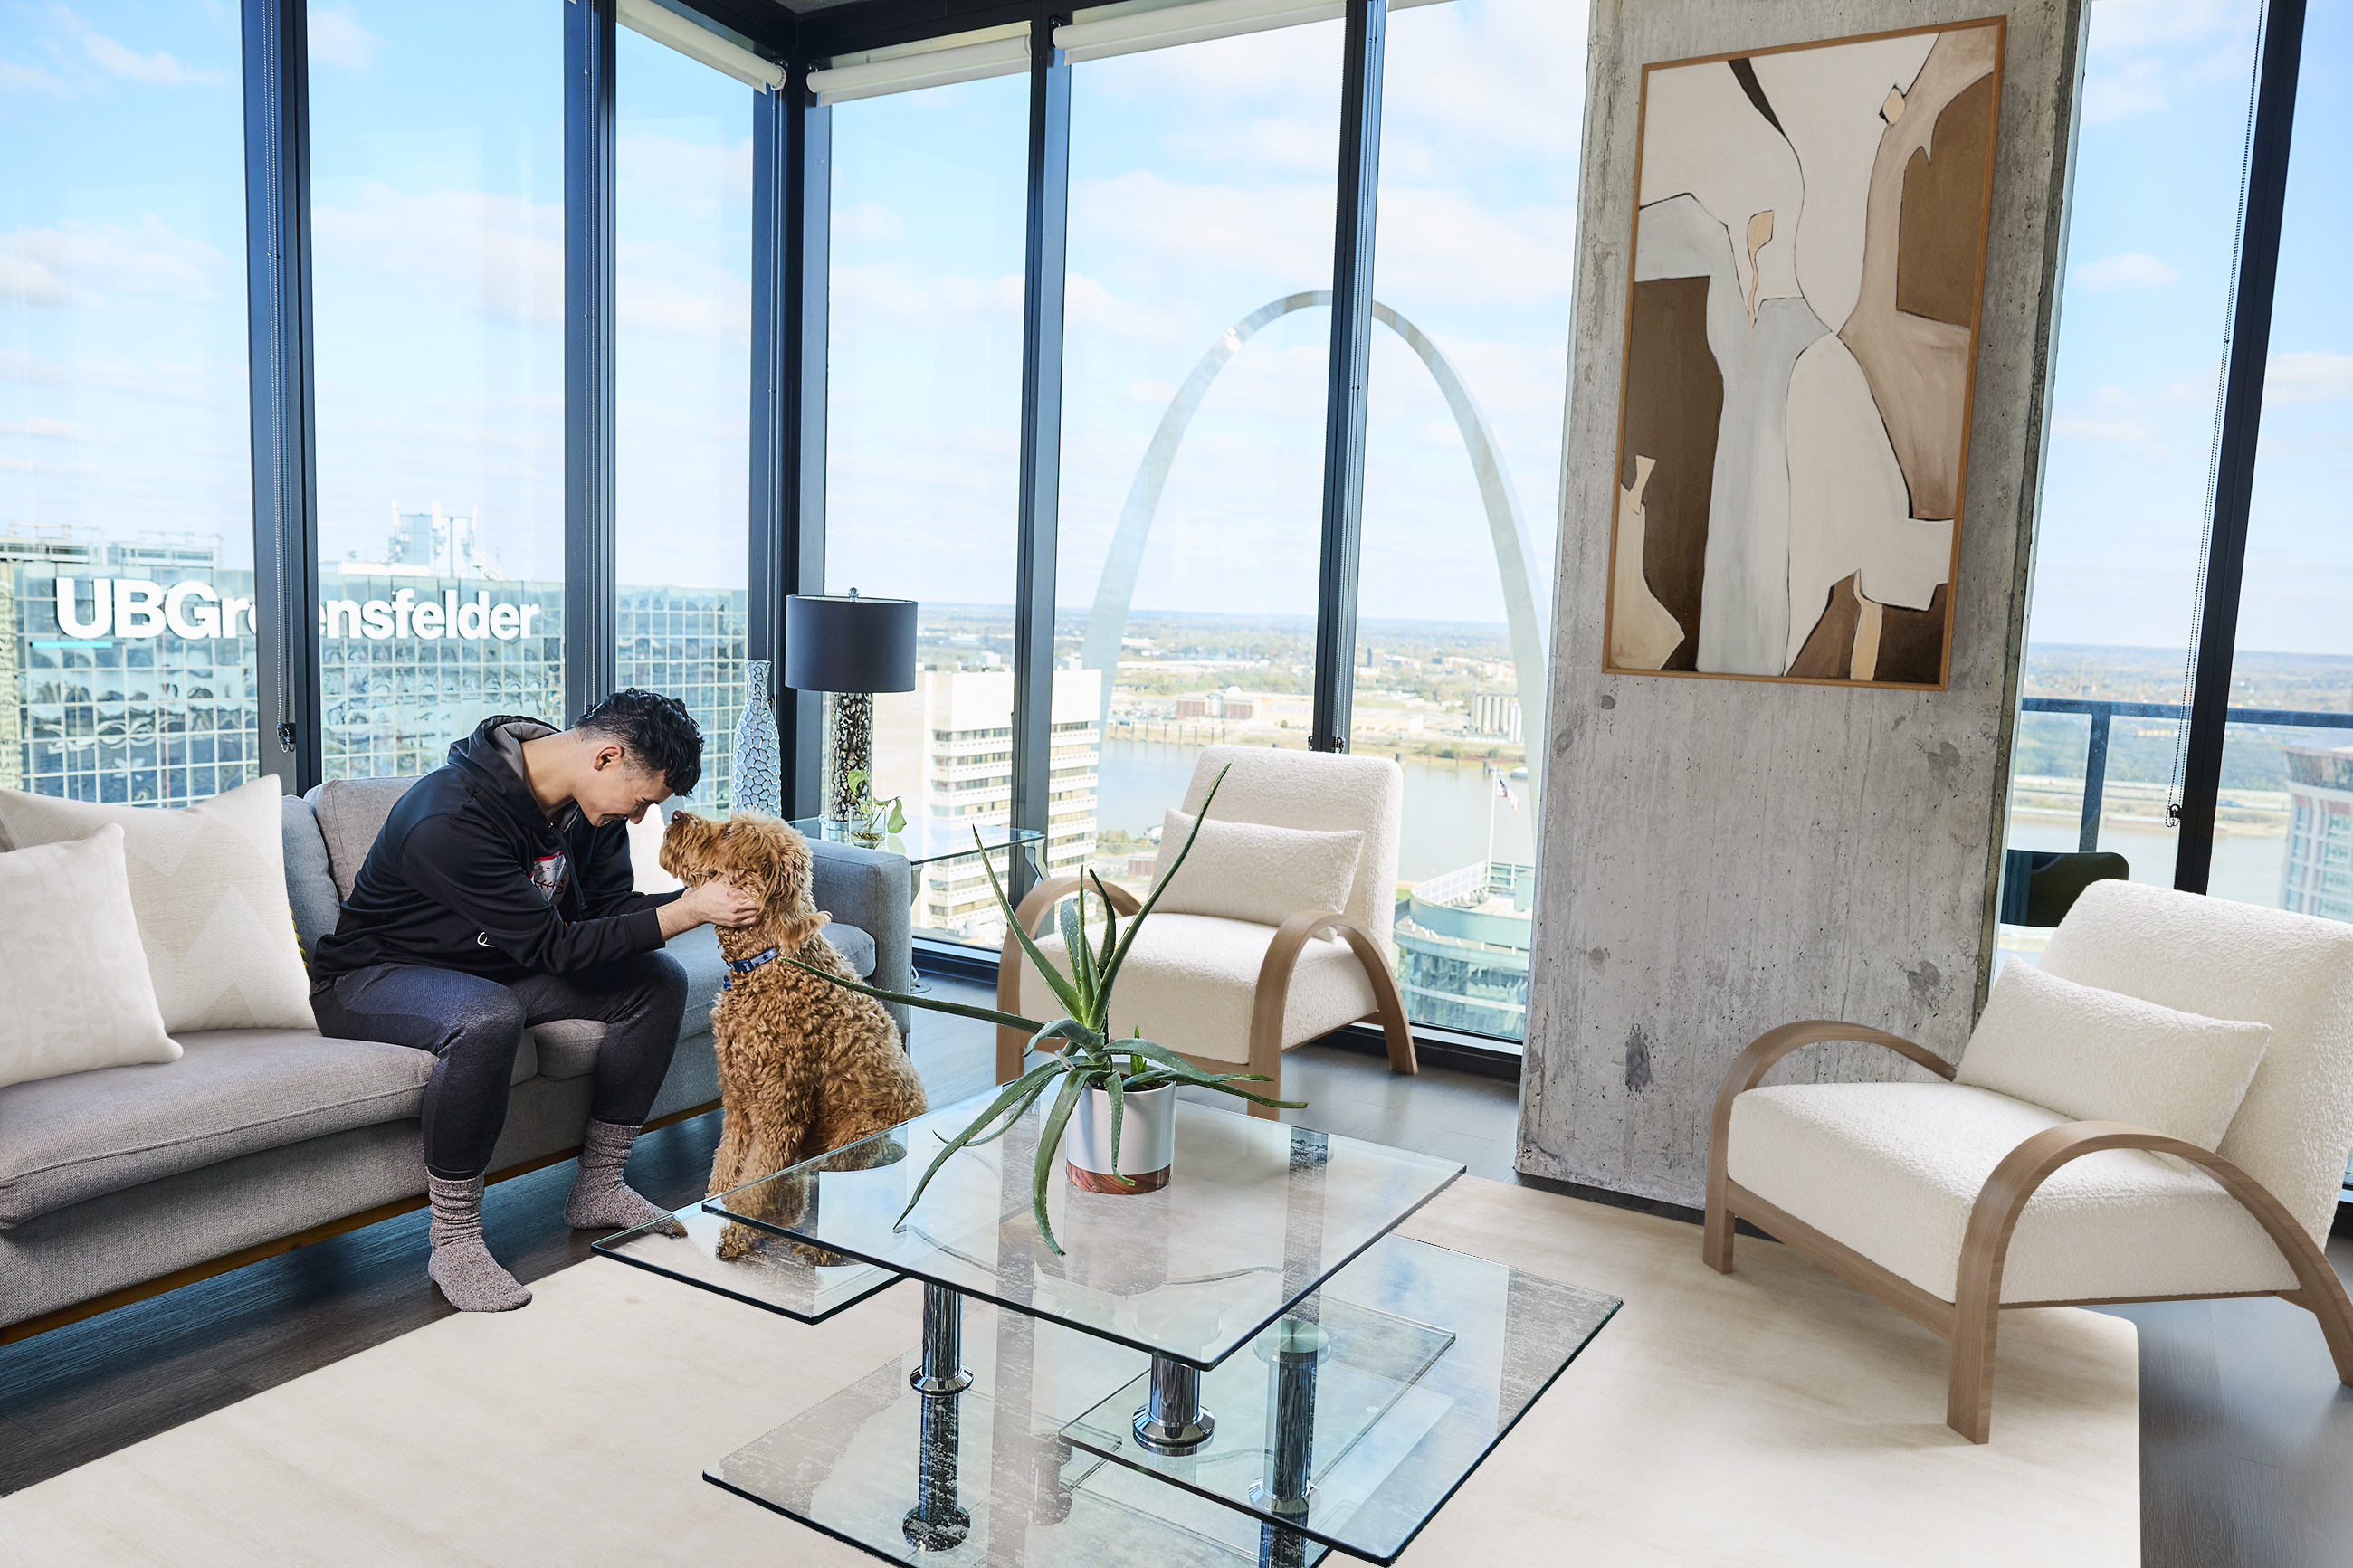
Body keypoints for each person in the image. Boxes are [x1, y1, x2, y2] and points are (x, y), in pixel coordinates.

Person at [309, 691, 759, 1312]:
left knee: (655, 981)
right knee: (488, 1017)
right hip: (375, 975)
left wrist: (694, 898)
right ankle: (455, 1240)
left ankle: (600, 1187)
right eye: (643, 802)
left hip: (496, 962)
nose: (638, 818)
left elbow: (604, 917)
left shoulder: (585, 809)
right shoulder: (450, 816)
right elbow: (558, 947)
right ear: (606, 756)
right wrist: (687, 911)